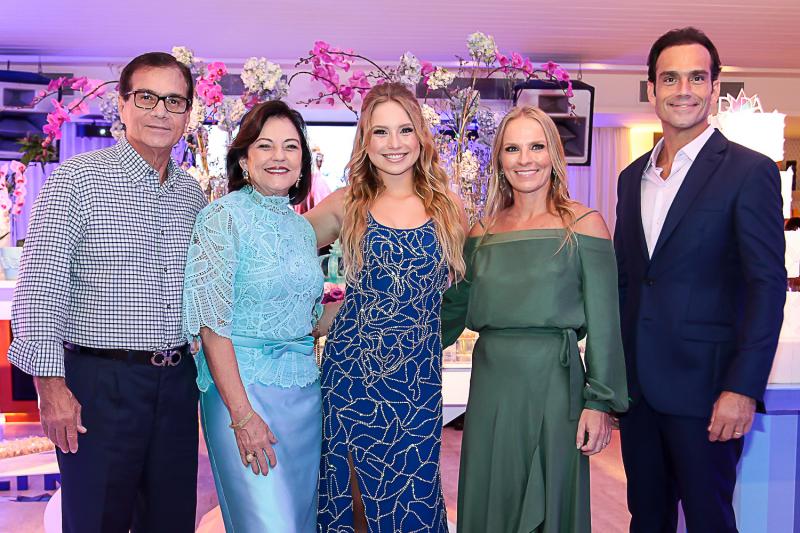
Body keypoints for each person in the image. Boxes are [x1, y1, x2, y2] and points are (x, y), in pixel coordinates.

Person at [8, 52, 207, 533]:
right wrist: (50, 387)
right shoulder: (77, 180)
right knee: (96, 521)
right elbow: (39, 290)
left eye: (174, 101)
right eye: (147, 97)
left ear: (187, 114)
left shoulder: (192, 196)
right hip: (99, 385)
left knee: (171, 521)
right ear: (122, 105)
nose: (161, 111)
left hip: (177, 386)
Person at [614, 27, 786, 532]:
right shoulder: (631, 177)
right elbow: (627, 284)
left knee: (710, 521)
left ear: (714, 88)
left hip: (708, 395)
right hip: (639, 394)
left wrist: (742, 388)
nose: (683, 89)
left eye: (696, 77)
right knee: (646, 520)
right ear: (652, 90)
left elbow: (766, 287)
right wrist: (611, 382)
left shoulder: (749, 171)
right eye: (670, 78)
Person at [441, 105, 628, 532]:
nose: (525, 159)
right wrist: (386, 340)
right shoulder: (481, 234)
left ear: (554, 154)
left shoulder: (585, 225)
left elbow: (606, 324)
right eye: (512, 149)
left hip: (555, 388)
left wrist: (599, 401)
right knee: (492, 500)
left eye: (536, 146)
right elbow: (450, 313)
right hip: (492, 390)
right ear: (499, 160)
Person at [304, 82, 467, 532]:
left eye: (404, 130)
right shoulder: (347, 204)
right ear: (366, 140)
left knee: (415, 501)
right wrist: (315, 317)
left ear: (420, 136)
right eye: (381, 132)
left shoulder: (449, 209)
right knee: (355, 503)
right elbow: (278, 255)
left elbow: (461, 293)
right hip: (352, 378)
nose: (394, 143)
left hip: (417, 383)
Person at [183, 101, 325, 532]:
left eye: (290, 146)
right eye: (265, 146)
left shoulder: (302, 229)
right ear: (244, 159)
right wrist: (243, 416)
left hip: (303, 397)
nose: (279, 156)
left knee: (298, 523)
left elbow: (307, 318)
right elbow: (211, 325)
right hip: (243, 395)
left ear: (302, 163)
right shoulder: (221, 218)